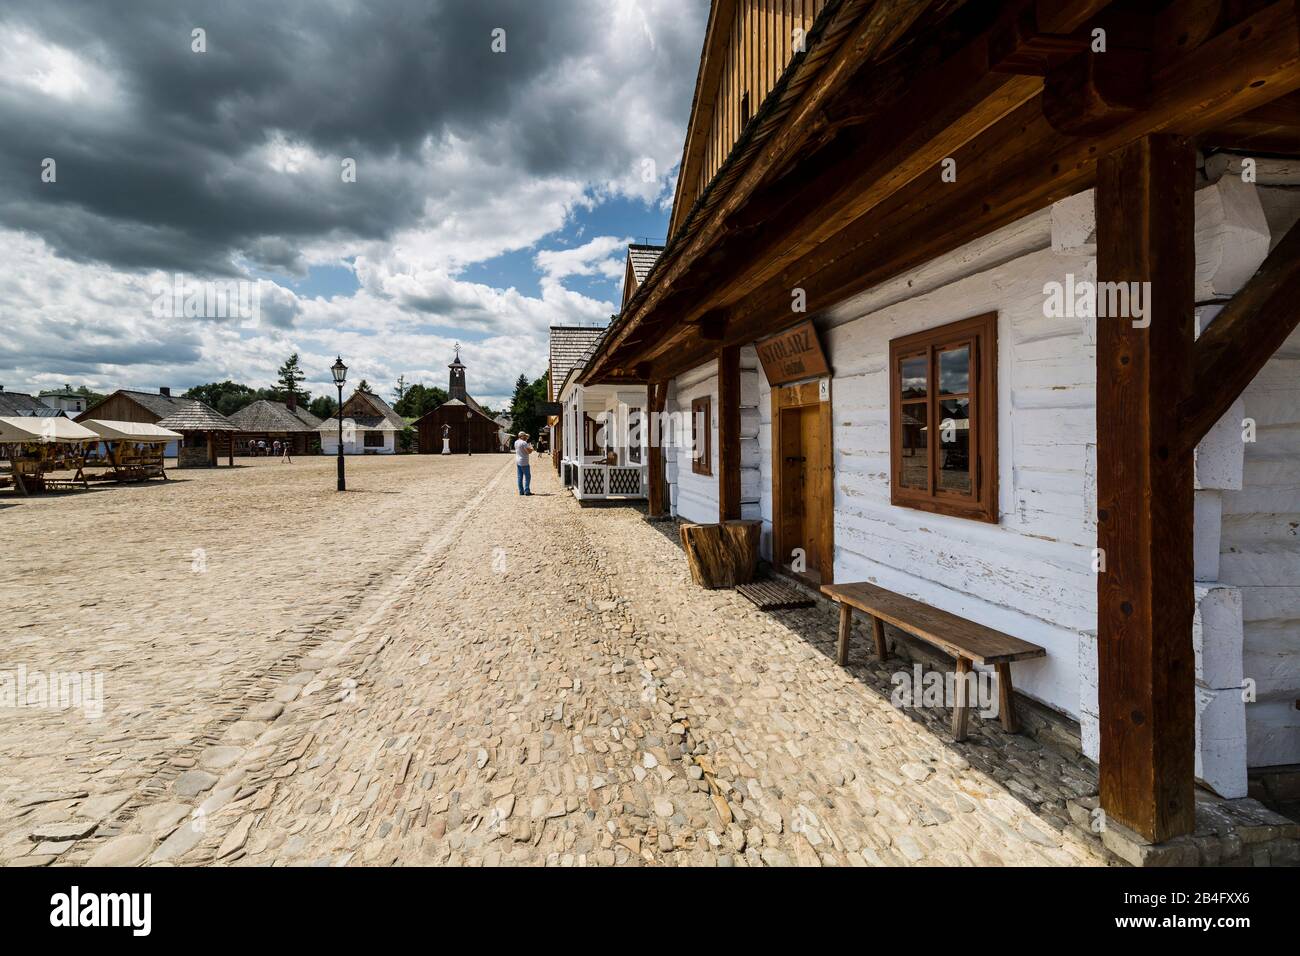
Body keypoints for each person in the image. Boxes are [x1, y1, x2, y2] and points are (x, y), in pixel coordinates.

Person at [514, 431, 533, 496]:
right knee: (528, 477)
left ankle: (521, 491)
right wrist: (531, 448)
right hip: (524, 461)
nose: (525, 436)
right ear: (522, 436)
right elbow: (528, 452)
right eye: (524, 435)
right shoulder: (524, 443)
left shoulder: (516, 442)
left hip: (518, 461)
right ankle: (527, 491)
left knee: (520, 477)